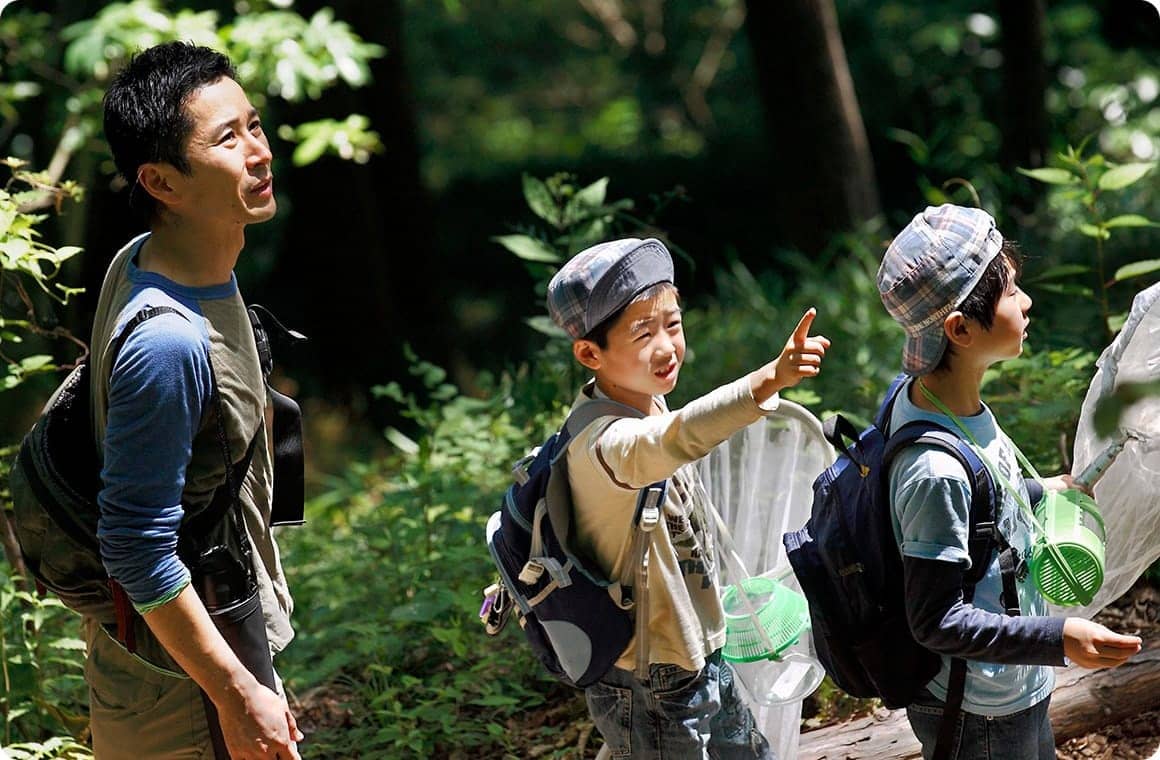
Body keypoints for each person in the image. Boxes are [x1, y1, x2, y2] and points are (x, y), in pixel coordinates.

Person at [87, 41, 301, 758]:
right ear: (162, 182)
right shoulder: (166, 342)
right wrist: (239, 698)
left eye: (255, 125)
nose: (258, 152)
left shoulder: (170, 258)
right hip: (184, 699)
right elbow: (137, 548)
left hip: (205, 649)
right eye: (226, 138)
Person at [546, 236, 830, 758]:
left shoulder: (647, 402)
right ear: (590, 353)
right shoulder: (605, 444)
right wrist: (769, 380)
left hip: (701, 655)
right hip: (647, 680)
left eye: (672, 325)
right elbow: (676, 438)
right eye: (642, 332)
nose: (666, 346)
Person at [876, 204, 1143, 760]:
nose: (1026, 302)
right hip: (979, 710)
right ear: (961, 328)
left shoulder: (938, 400)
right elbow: (936, 620)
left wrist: (1043, 488)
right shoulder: (933, 471)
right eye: (1011, 291)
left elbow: (981, 501)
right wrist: (1060, 637)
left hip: (1007, 685)